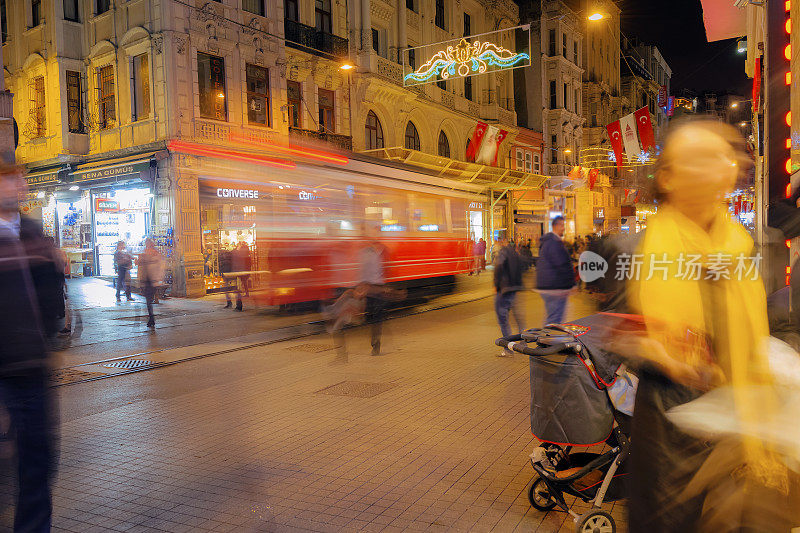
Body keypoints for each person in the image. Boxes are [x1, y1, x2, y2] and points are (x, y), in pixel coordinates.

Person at [615, 119, 799, 531]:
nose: (722, 164)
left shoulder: (745, 243)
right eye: (702, 158)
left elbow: (766, 321)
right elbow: (612, 328)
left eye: (724, 155)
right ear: (668, 177)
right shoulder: (633, 248)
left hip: (740, 418)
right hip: (670, 423)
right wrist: (652, 349)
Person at [0, 161, 57, 532]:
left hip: (33, 365)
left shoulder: (34, 231)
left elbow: (51, 292)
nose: (18, 186)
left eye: (19, 180)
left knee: (39, 462)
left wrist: (51, 331)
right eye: (8, 180)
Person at [535, 216, 575, 325]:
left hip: (550, 286)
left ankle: (546, 339)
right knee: (554, 321)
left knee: (553, 318)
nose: (564, 228)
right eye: (562, 225)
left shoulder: (549, 241)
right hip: (554, 287)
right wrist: (571, 284)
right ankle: (546, 340)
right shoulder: (554, 242)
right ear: (555, 226)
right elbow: (561, 264)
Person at [493, 237, 525, 356]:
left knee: (503, 319)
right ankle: (524, 343)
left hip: (504, 290)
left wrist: (496, 285)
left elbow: (498, 267)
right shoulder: (516, 253)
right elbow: (523, 267)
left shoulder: (502, 252)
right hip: (515, 289)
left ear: (502, 241)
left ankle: (508, 348)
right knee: (518, 318)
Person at [359, 226, 387, 356]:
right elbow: (363, 271)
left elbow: (388, 268)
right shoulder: (366, 252)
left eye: (376, 233)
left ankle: (376, 344)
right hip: (370, 289)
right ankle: (375, 340)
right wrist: (362, 287)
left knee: (378, 316)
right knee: (371, 316)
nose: (374, 236)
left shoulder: (384, 250)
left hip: (380, 288)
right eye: (372, 233)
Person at [136, 238, 163, 328]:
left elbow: (159, 267)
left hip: (152, 280)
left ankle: (151, 318)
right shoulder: (146, 253)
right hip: (148, 280)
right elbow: (140, 265)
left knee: (149, 301)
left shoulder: (155, 254)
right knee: (148, 301)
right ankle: (151, 318)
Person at [225, 242, 251, 311]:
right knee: (238, 289)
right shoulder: (245, 256)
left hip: (239, 273)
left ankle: (239, 306)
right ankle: (238, 305)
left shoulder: (239, 255)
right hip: (242, 273)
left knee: (238, 289)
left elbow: (241, 264)